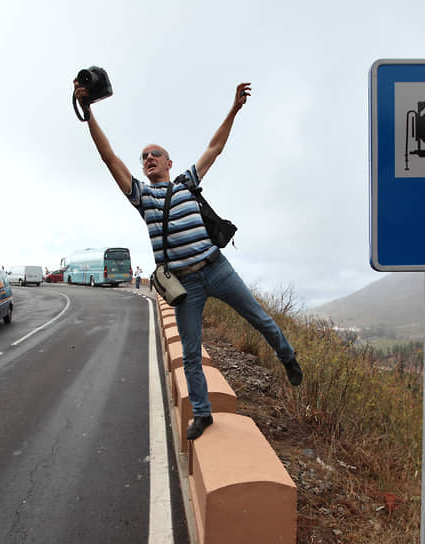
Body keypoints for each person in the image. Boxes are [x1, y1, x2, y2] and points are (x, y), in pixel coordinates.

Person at [74, 80, 303, 439]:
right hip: (185, 285)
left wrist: (234, 110)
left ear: (168, 162)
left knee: (258, 317)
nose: (148, 159)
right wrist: (88, 114)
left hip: (217, 268)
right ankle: (202, 412)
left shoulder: (186, 184)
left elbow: (215, 148)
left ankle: (287, 356)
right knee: (191, 352)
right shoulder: (141, 197)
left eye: (155, 155)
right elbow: (108, 158)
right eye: (143, 158)